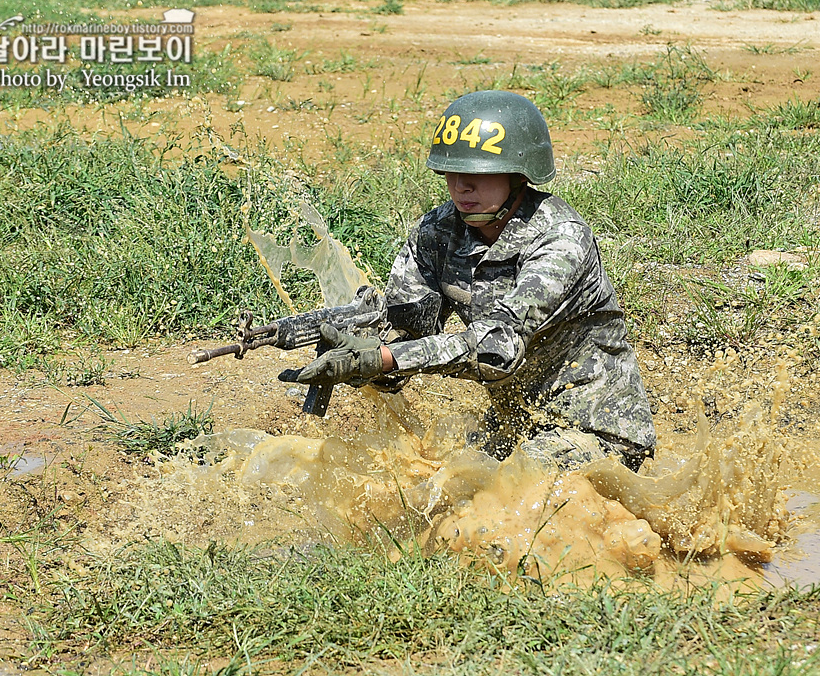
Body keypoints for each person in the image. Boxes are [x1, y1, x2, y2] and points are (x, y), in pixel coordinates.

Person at [280, 90, 656, 472]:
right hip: (517, 427)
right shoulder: (436, 233)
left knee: (491, 498)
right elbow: (405, 342)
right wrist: (364, 355)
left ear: (518, 176)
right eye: (451, 172)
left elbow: (498, 349)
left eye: (478, 173)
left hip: (598, 431)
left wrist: (385, 359)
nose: (461, 186)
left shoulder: (561, 239)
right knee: (433, 484)